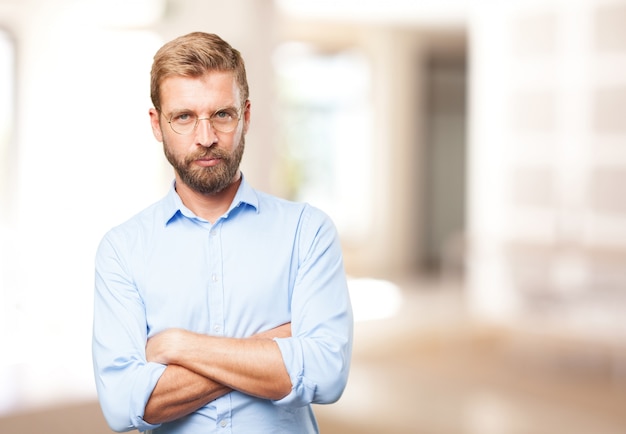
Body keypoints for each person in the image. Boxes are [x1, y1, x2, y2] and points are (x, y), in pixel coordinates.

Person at [92, 32, 353, 433]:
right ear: (156, 124)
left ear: (245, 116)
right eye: (183, 117)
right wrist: (272, 348)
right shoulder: (122, 250)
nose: (206, 137)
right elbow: (123, 402)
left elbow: (326, 372)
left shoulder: (307, 232)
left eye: (222, 114)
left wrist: (180, 346)